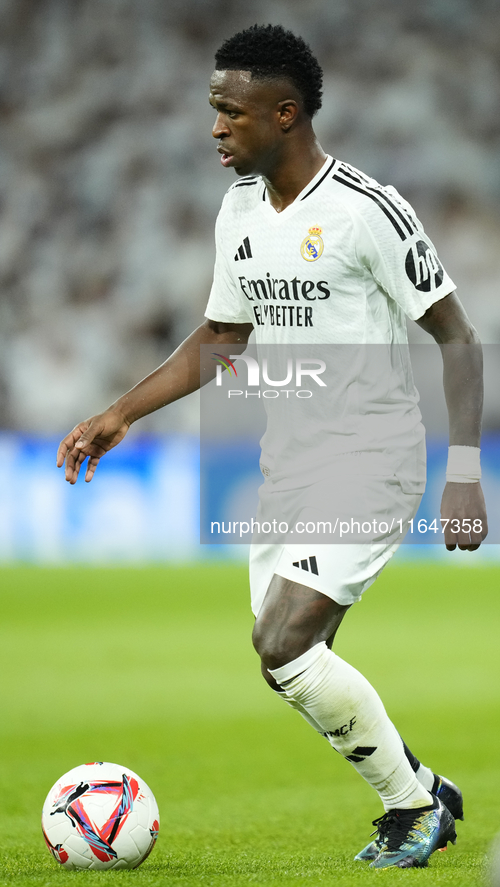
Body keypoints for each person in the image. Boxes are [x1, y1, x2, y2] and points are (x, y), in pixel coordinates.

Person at [57, 24, 487, 869]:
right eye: (213, 109)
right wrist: (122, 412)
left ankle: (411, 810)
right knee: (285, 660)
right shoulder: (239, 211)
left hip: (372, 459)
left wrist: (463, 472)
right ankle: (421, 785)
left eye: (230, 112)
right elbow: (221, 334)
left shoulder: (368, 210)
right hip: (287, 467)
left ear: (284, 114)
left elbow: (459, 337)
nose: (214, 127)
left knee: (283, 642)